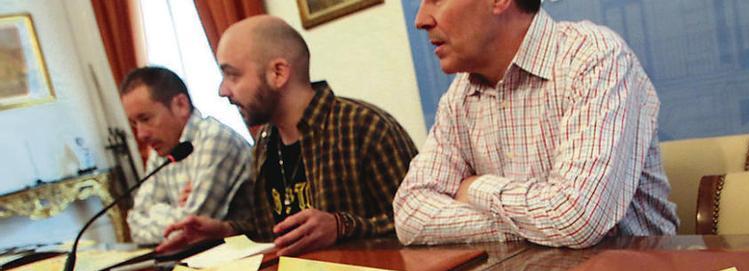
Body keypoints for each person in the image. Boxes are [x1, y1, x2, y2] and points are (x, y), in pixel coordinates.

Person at [393, 0, 678, 248]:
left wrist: (476, 188)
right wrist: (531, 226)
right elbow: (410, 214)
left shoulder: (594, 57)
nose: (420, 20)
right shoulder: (460, 95)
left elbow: (577, 219)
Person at [158, 16, 417, 256]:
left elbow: (421, 221)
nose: (222, 90)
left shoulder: (364, 127)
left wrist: (342, 226)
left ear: (278, 73)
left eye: (232, 75)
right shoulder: (265, 141)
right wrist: (225, 231)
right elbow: (271, 232)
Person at [120, 66, 253, 245]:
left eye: (145, 119)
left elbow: (191, 229)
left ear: (180, 105)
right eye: (134, 123)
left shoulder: (214, 138)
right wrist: (177, 209)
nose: (141, 134)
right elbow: (135, 224)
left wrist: (160, 210)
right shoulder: (161, 150)